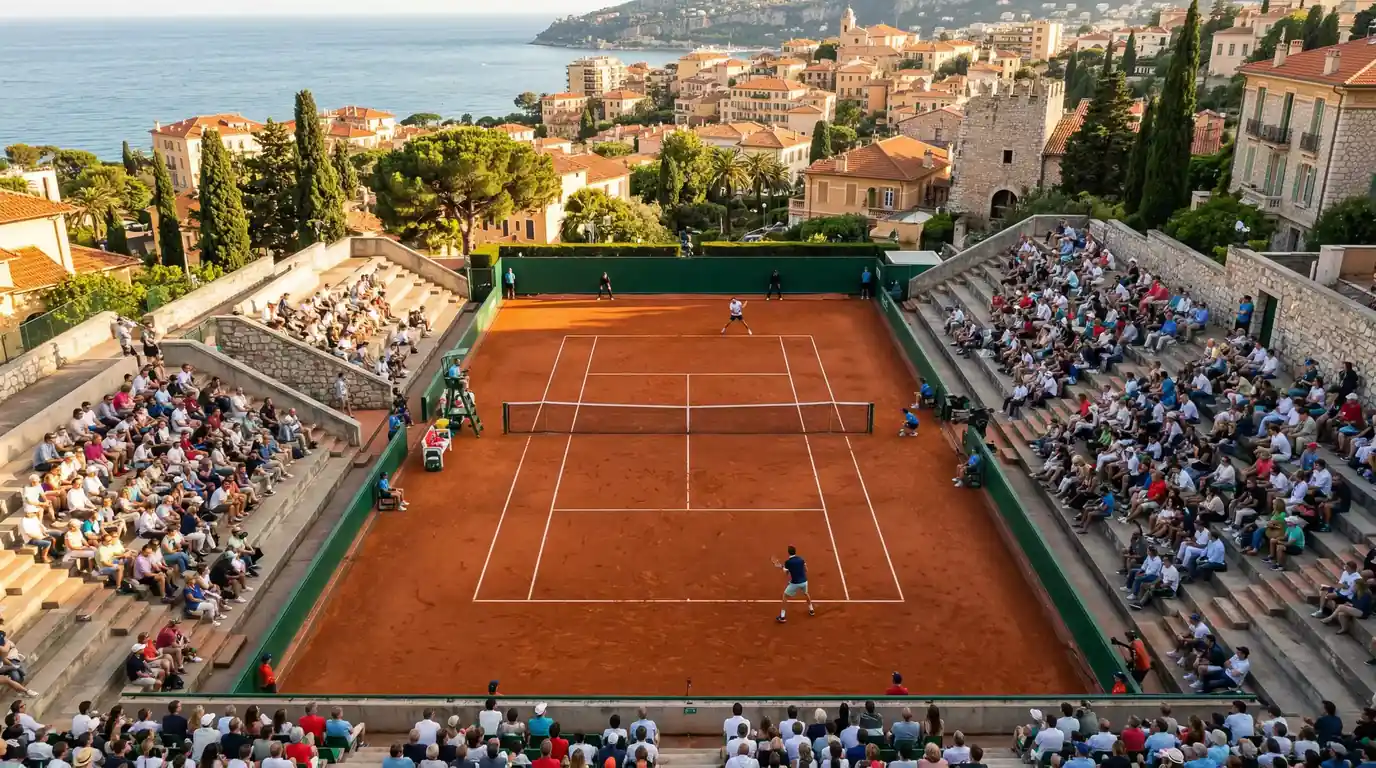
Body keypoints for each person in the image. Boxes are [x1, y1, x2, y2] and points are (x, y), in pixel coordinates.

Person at [775, 545, 815, 622]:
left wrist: (781, 567)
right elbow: (806, 570)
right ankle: (811, 610)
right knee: (806, 593)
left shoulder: (788, 562)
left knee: (785, 596)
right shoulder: (801, 559)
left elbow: (786, 572)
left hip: (795, 583)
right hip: (804, 582)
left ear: (788, 553)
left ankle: (782, 616)